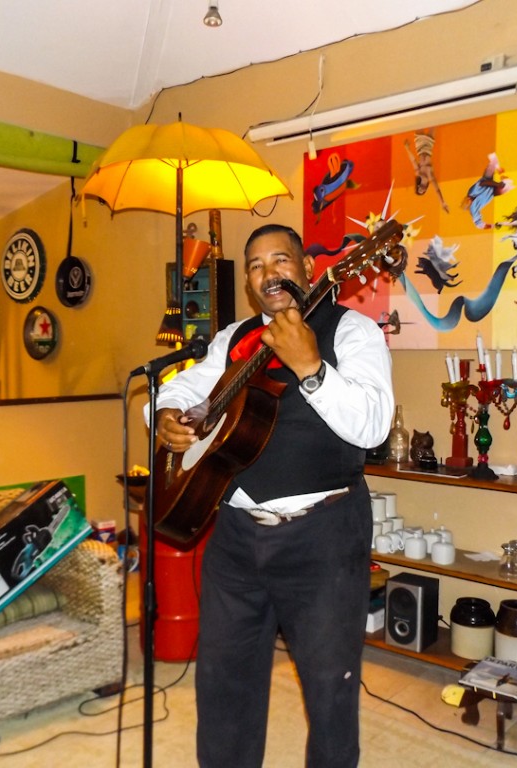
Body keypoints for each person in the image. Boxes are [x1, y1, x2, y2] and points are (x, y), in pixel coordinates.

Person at [152, 223, 394, 767]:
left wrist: (312, 367)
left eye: (280, 259)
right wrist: (166, 413)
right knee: (223, 687)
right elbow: (185, 387)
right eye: (256, 266)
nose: (269, 274)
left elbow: (375, 425)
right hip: (236, 538)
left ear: (307, 267)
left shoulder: (352, 331)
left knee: (329, 690)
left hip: (323, 538)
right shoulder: (234, 339)